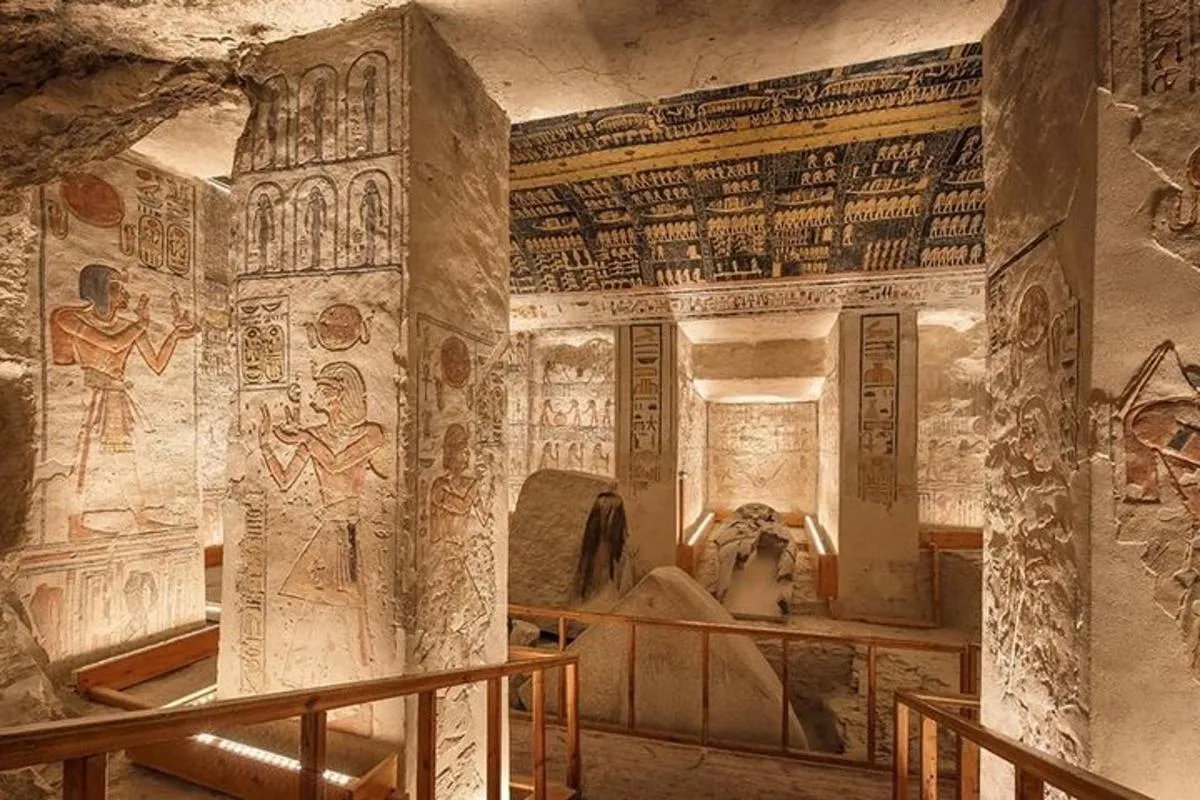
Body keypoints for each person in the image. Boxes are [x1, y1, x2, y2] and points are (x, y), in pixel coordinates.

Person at [51, 263, 198, 538]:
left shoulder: (127, 327)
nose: (124, 294)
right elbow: (113, 344)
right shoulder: (69, 318)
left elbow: (157, 363)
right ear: (98, 290)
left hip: (118, 397)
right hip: (95, 396)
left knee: (128, 457)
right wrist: (140, 326)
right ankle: (75, 525)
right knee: (86, 458)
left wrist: (175, 335)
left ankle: (140, 518)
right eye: (116, 287)